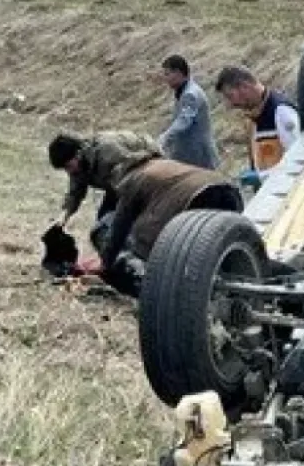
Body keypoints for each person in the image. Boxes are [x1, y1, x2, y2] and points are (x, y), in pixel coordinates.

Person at [92, 158, 242, 296]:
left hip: (195, 199)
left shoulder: (133, 180)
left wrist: (106, 263)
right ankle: (236, 291)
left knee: (160, 250)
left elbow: (120, 228)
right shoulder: (159, 165)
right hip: (227, 189)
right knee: (223, 251)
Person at [46, 129, 159, 229]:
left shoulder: (107, 153)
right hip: (119, 182)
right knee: (103, 223)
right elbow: (76, 192)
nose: (69, 172)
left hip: (147, 168)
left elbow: (131, 181)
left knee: (123, 222)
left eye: (68, 166)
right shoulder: (78, 164)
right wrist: (64, 216)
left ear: (78, 154)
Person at [215, 65, 299, 183]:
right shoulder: (254, 116)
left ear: (244, 87)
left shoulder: (281, 112)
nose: (231, 104)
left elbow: (298, 162)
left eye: (230, 96)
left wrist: (261, 176)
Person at [157, 54, 219, 170]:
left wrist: (165, 138)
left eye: (167, 74)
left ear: (178, 73)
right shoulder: (183, 91)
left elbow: (184, 121)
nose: (165, 79)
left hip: (198, 156)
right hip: (190, 156)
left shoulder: (190, 94)